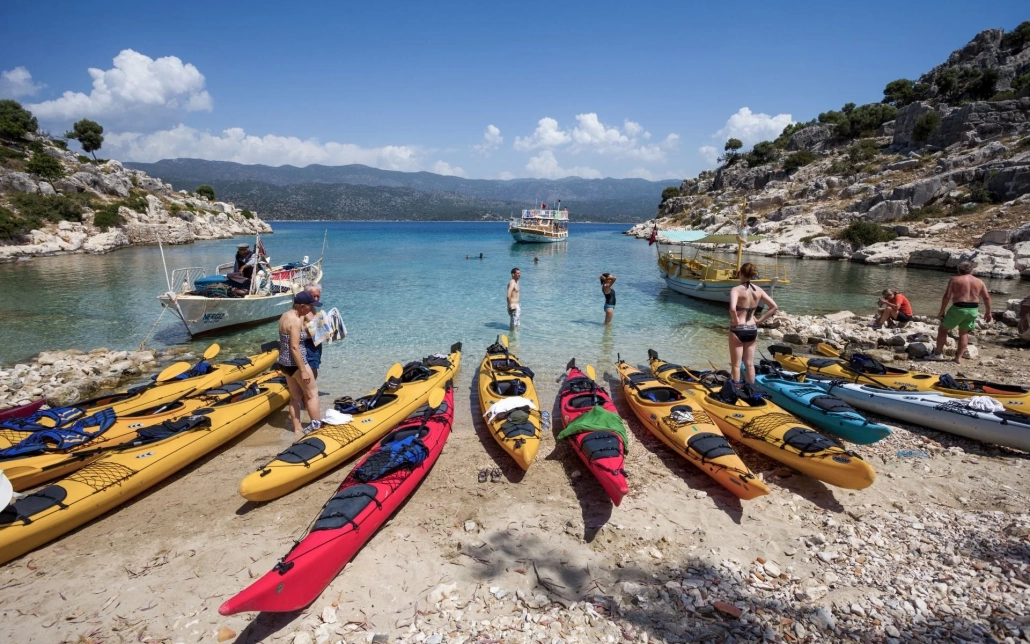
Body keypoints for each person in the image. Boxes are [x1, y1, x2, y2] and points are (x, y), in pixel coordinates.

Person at [278, 291, 322, 435]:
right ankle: (316, 426)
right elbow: (295, 347)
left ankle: (297, 429)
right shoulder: (296, 321)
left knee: (295, 397)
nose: (311, 309)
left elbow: (292, 337)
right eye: (310, 306)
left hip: (285, 363)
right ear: (302, 306)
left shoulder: (285, 316)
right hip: (297, 364)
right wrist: (303, 370)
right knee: (312, 393)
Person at [930, 261, 991, 363]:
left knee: (943, 329)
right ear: (972, 270)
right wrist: (988, 312)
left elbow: (947, 296)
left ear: (959, 270)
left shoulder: (954, 279)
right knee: (964, 333)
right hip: (973, 309)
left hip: (959, 308)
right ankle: (958, 358)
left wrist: (942, 310)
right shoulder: (979, 281)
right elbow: (986, 298)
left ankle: (938, 354)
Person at [728, 263, 779, 384]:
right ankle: (751, 388)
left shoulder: (736, 290)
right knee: (749, 364)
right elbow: (774, 306)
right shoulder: (759, 290)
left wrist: (735, 320)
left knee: (736, 365)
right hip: (752, 329)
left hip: (738, 329)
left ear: (740, 273)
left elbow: (732, 309)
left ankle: (737, 390)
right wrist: (759, 320)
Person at [302, 284, 323, 379]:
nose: (316, 298)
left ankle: (310, 391)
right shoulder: (303, 310)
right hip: (308, 345)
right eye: (313, 296)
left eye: (318, 296)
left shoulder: (312, 307)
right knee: (311, 370)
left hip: (316, 343)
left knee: (314, 368)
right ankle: (310, 392)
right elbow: (298, 330)